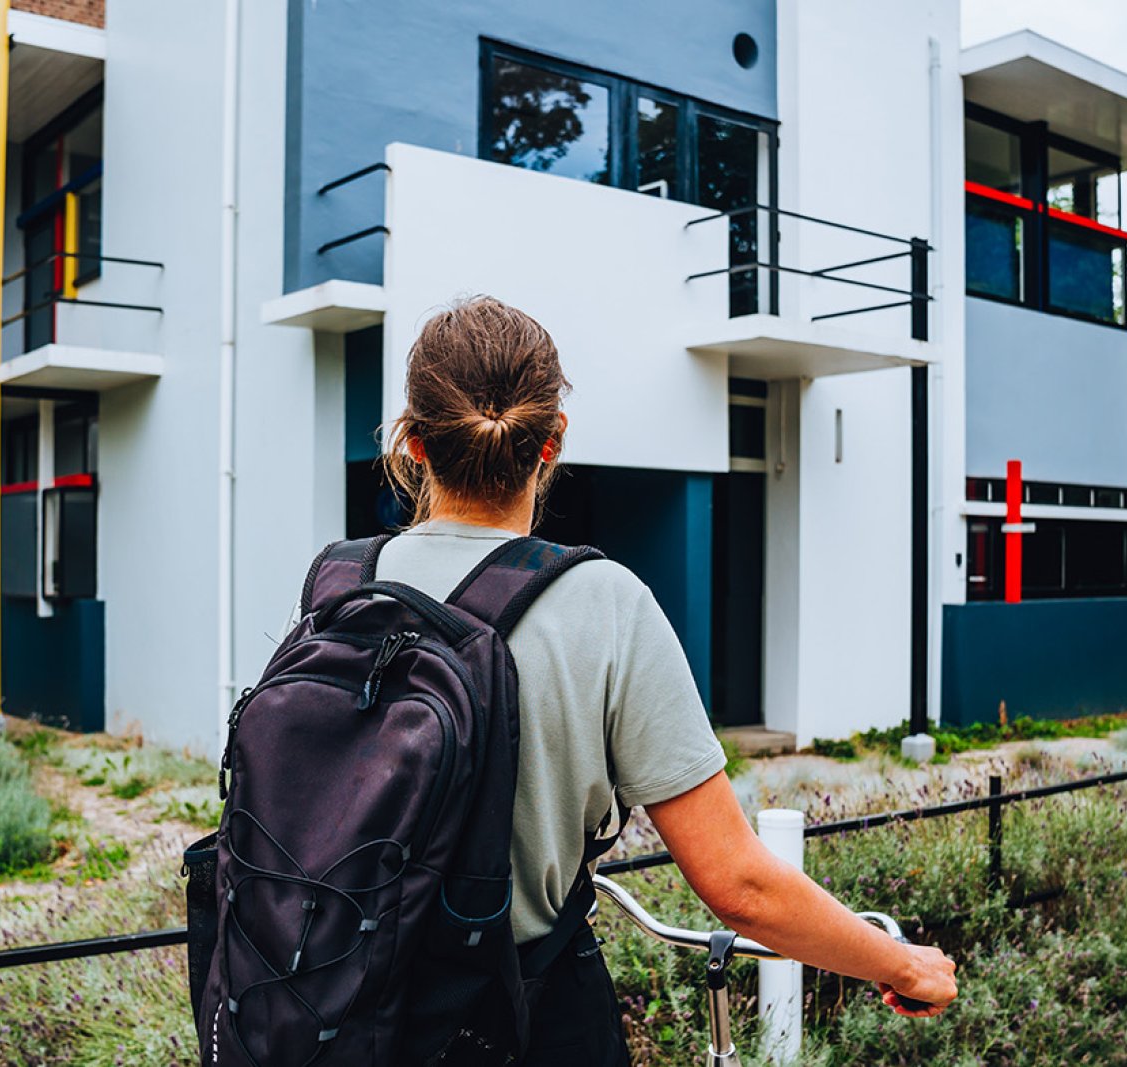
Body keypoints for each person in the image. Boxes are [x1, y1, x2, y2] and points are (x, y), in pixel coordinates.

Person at [353, 296, 954, 1062]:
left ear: (412, 443)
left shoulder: (343, 583)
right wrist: (904, 965)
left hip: (336, 1008)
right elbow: (739, 885)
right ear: (552, 442)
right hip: (513, 1023)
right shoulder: (603, 603)